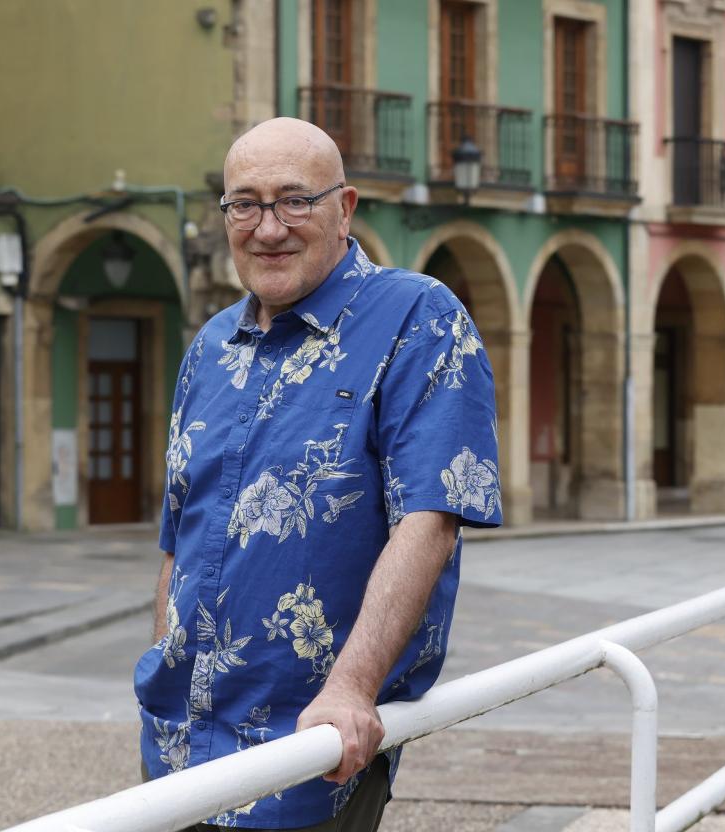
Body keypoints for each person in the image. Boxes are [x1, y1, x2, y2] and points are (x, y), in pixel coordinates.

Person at [135, 117, 502, 831]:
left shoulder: (418, 318)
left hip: (309, 751)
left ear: (345, 207)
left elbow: (429, 520)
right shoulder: (210, 347)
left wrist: (350, 692)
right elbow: (177, 538)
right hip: (175, 751)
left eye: (294, 200)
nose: (268, 227)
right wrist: (159, 669)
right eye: (245, 204)